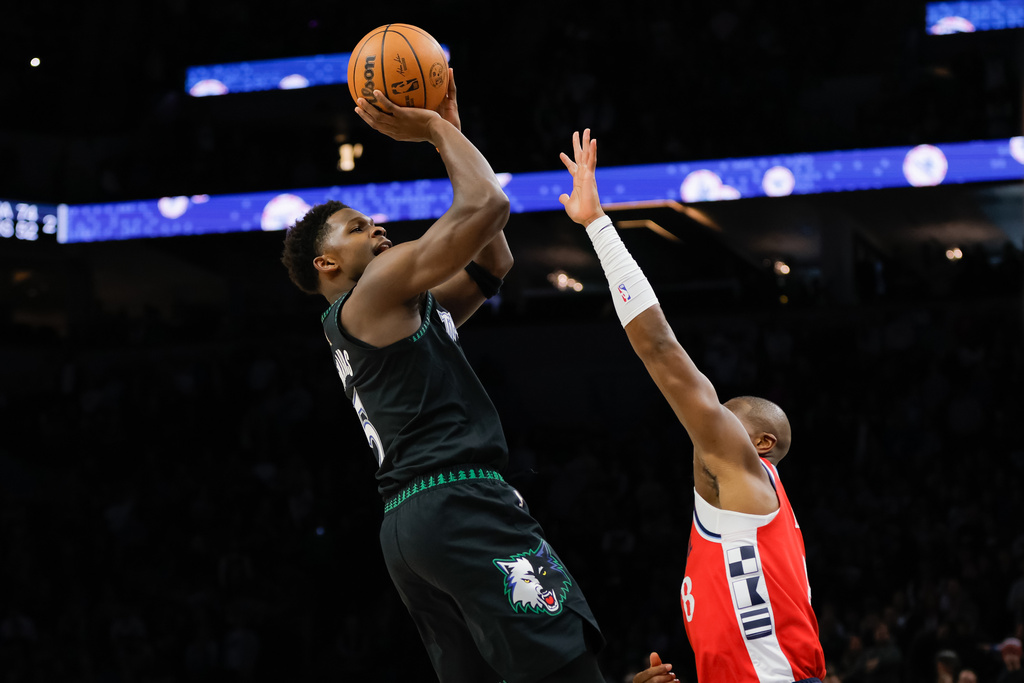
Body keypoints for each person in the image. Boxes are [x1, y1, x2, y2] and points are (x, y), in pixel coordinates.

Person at [279, 73, 604, 683]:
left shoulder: (397, 311)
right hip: (458, 500)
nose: (376, 228)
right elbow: (490, 206)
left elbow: (494, 259)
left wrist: (452, 136)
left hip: (410, 524)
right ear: (327, 263)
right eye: (356, 228)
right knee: (564, 657)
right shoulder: (373, 291)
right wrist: (432, 128)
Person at [558, 129, 826, 683]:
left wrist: (598, 226)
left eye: (727, 415)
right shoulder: (733, 511)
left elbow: (661, 350)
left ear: (761, 444)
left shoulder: (747, 476)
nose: (708, 419)